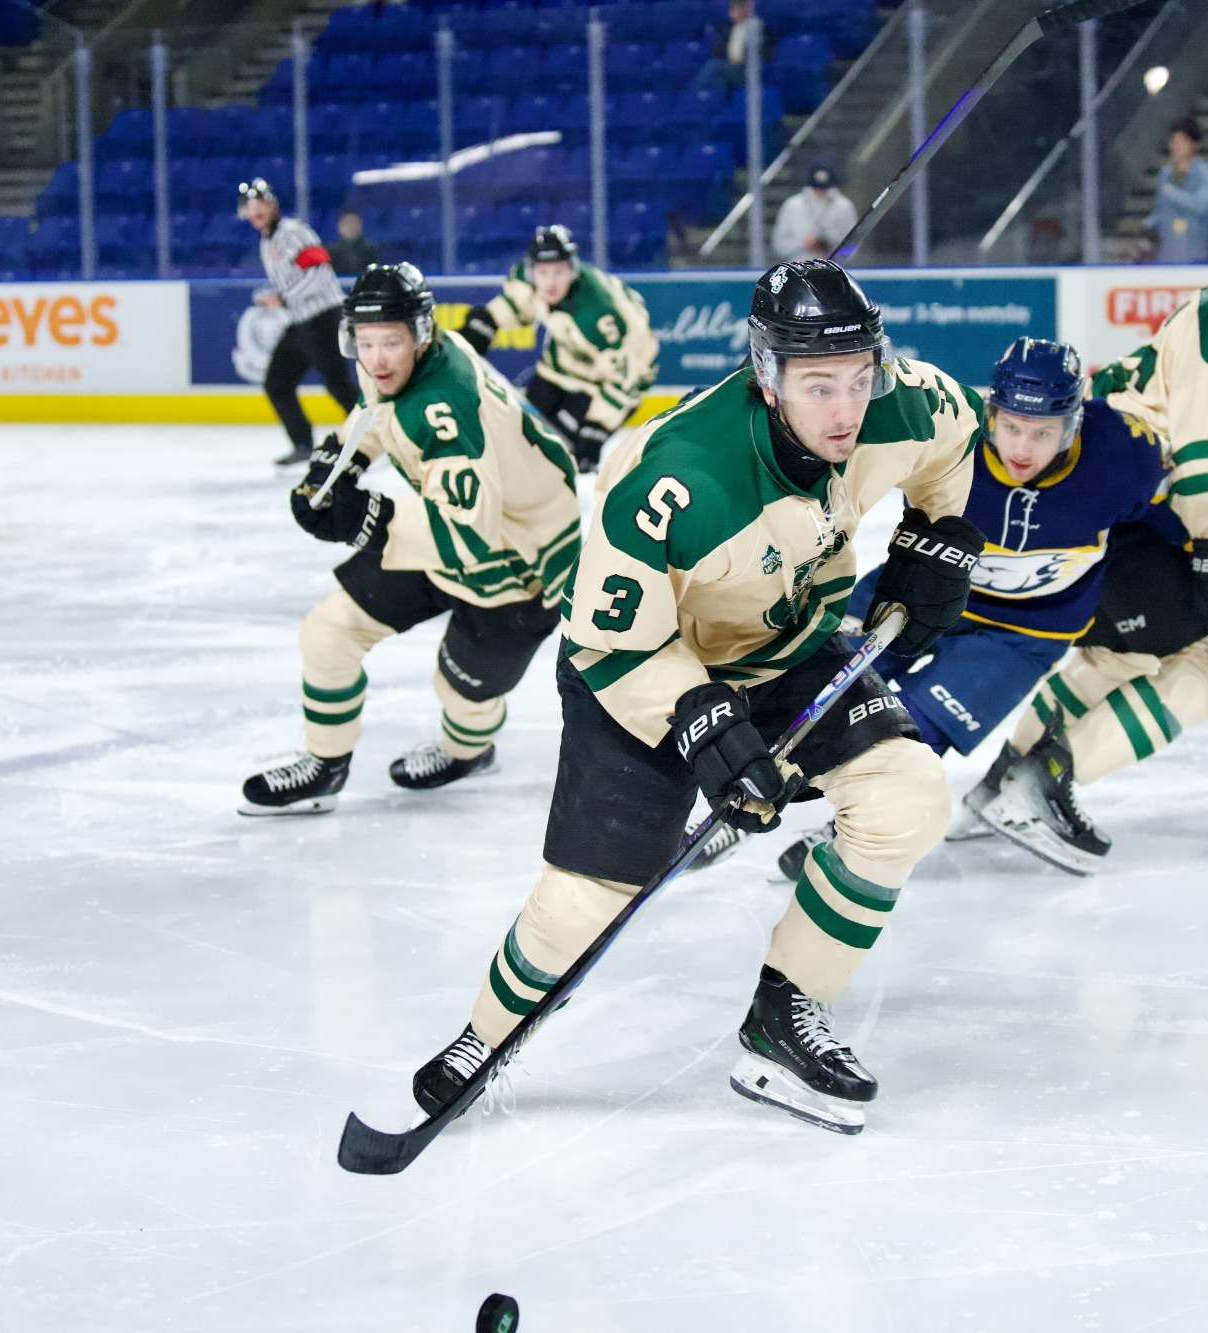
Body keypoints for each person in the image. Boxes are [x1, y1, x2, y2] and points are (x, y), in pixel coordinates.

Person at [409, 259, 987, 1136]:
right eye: (818, 385)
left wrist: (937, 533)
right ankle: (483, 1035)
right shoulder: (674, 476)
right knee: (588, 897)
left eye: (859, 380)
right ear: (766, 373)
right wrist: (700, 719)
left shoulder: (903, 403)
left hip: (789, 644)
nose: (846, 409)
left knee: (908, 797)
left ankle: (782, 1014)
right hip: (644, 669)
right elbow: (612, 638)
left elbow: (954, 440)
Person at [958, 196, 1208, 873]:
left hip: (1097, 488)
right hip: (1118, 494)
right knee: (1206, 671)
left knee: (1117, 656)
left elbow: (1192, 420)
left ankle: (1001, 783)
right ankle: (1038, 780)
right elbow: (1197, 446)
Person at [759, 335, 1168, 880]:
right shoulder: (952, 434)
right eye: (1013, 426)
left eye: (1043, 432)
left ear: (1073, 425)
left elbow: (1167, 509)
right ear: (991, 411)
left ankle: (859, 823)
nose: (1023, 447)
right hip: (923, 591)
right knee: (807, 686)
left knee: (918, 724)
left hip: (1025, 633)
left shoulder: (1123, 454)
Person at [239, 263, 581, 816]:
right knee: (328, 632)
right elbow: (375, 411)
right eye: (365, 342)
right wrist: (338, 462)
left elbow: (468, 533)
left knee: (462, 692)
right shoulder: (411, 361)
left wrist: (367, 516)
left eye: (390, 343)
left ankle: (469, 751)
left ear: (420, 334)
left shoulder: (448, 407)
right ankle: (326, 765)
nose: (375, 359)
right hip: (452, 531)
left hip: (521, 561)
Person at [461, 224, 659, 473]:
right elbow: (518, 303)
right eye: (543, 272)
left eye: (559, 272)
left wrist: (597, 427)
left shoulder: (597, 315)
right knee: (522, 434)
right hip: (565, 360)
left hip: (613, 378)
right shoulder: (528, 277)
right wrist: (486, 323)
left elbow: (627, 375)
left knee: (558, 457)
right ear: (533, 270)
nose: (550, 282)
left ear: (572, 270)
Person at [240, 178, 360, 467]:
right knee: (277, 383)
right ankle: (303, 444)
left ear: (273, 204)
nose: (255, 211)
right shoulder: (266, 240)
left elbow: (319, 272)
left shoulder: (293, 233)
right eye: (249, 206)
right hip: (302, 321)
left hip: (324, 318)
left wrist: (282, 298)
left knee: (338, 385)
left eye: (260, 204)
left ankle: (371, 437)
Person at [1146, 117, 1208, 264]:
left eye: (1180, 141)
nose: (1175, 146)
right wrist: (1148, 225)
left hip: (1195, 255)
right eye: (1173, 141)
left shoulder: (1204, 173)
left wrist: (1174, 194)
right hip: (1167, 256)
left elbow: (1203, 204)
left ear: (1192, 144)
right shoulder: (1166, 174)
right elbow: (1161, 209)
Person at [772, 164, 859, 262]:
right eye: (816, 188)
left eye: (824, 188)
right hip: (800, 266)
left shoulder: (844, 206)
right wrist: (803, 243)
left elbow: (854, 245)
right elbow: (778, 246)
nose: (820, 192)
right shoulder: (793, 205)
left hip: (833, 268)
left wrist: (836, 251)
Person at [692, 0, 765, 95]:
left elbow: (764, 52)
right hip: (729, 66)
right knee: (716, 82)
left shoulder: (756, 27)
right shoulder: (727, 28)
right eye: (732, 10)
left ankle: (693, 94)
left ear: (745, 10)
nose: (732, 13)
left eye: (736, 10)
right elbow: (716, 50)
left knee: (712, 66)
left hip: (746, 68)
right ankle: (703, 100)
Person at [327, 209, 380, 274]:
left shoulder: (370, 251)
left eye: (354, 223)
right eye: (347, 223)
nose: (350, 227)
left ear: (360, 226)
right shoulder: (330, 252)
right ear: (339, 226)